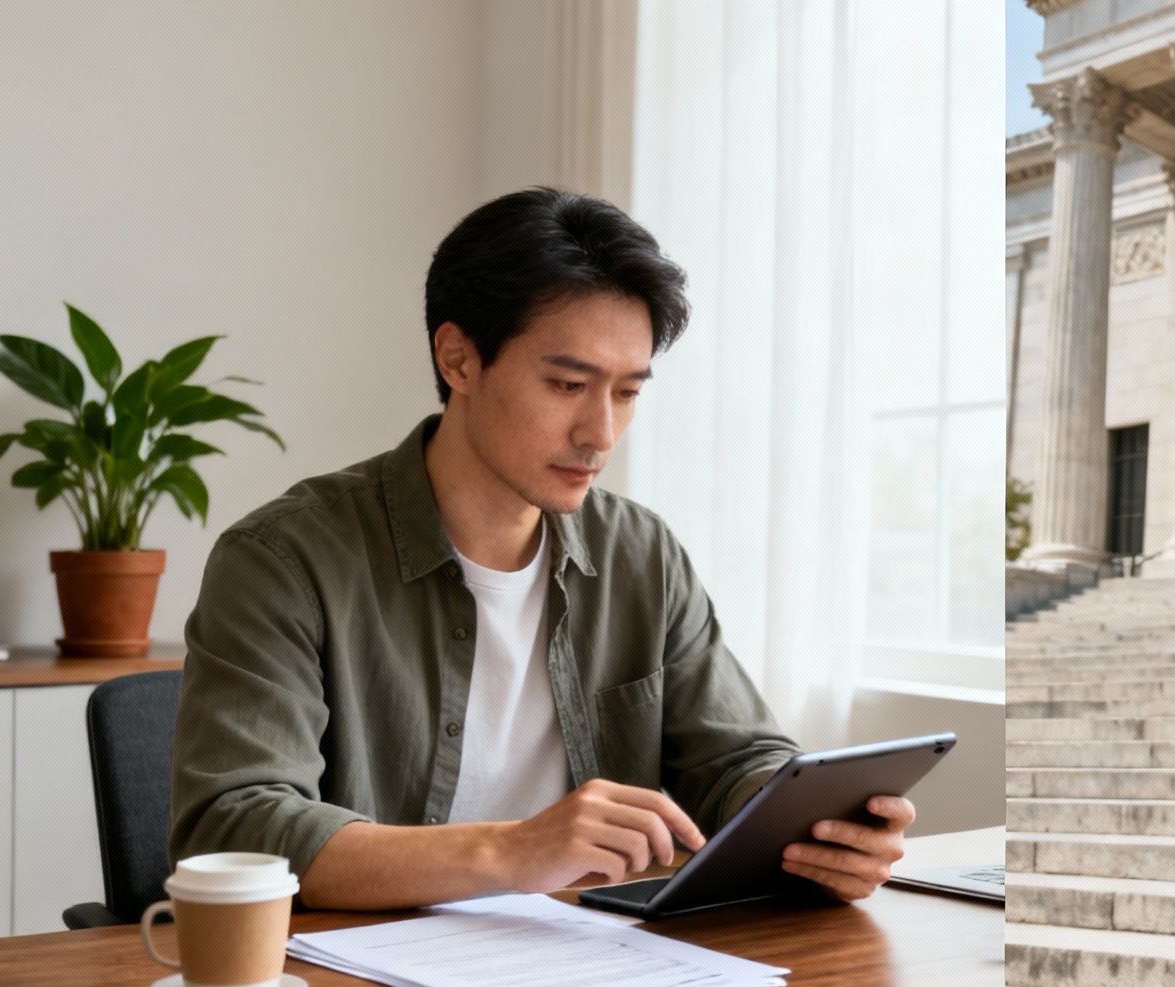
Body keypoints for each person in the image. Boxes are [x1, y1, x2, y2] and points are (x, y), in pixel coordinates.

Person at [169, 186, 912, 911]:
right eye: (566, 384)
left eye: (627, 393)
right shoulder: (284, 560)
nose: (601, 433)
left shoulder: (641, 554)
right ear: (458, 361)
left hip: (588, 973)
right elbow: (234, 827)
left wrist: (813, 826)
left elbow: (736, 760)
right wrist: (513, 852)